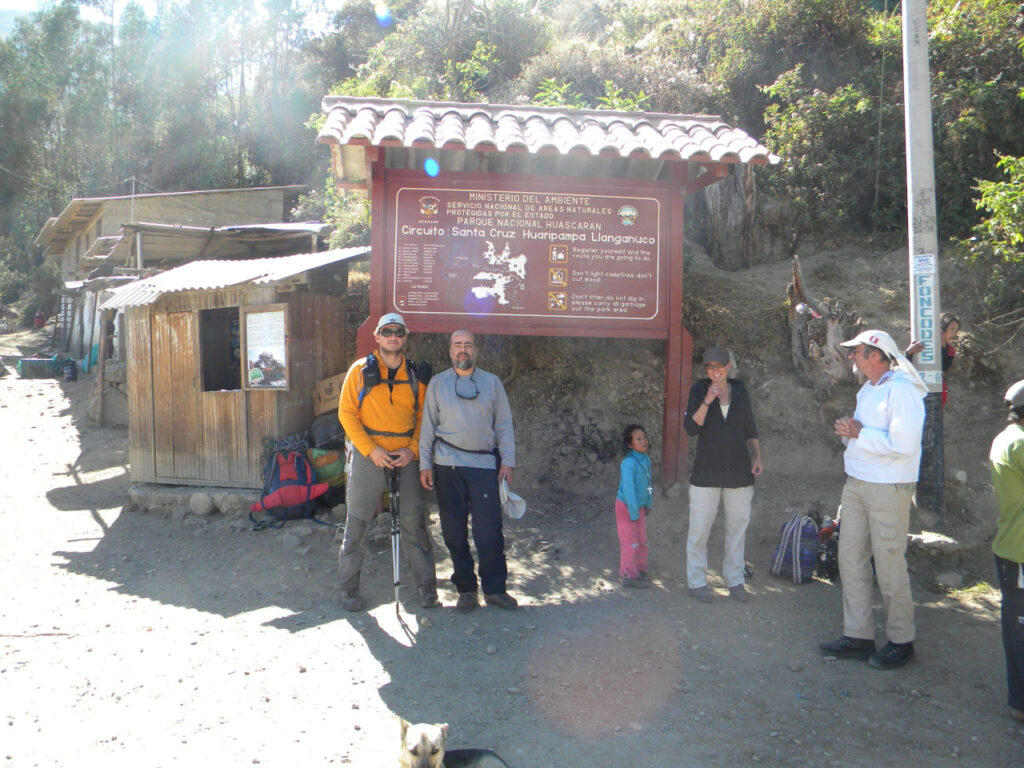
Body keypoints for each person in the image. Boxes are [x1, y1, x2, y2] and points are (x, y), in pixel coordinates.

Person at [819, 329, 927, 670]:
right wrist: (850, 432)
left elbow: (904, 444)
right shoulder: (868, 389)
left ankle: (901, 640)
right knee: (850, 559)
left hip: (888, 488)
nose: (852, 357)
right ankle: (858, 634)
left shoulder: (903, 390)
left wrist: (859, 432)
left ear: (877, 355)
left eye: (857, 352)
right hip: (858, 484)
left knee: (890, 564)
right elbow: (864, 435)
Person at [336, 312, 438, 612]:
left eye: (399, 332)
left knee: (412, 521)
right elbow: (346, 414)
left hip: (404, 456)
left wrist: (412, 450)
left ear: (405, 338)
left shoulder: (417, 374)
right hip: (370, 456)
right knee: (358, 520)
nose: (393, 337)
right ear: (377, 337)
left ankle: (427, 586)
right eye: (387, 332)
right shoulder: (358, 371)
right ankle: (348, 587)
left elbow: (424, 418)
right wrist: (370, 450)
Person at [419, 329, 517, 612]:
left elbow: (504, 425)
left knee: (489, 531)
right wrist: (425, 464)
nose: (463, 350)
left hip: (484, 466)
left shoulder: (493, 383)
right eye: (457, 345)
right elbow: (427, 428)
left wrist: (507, 461)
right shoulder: (438, 384)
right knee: (453, 532)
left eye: (468, 345)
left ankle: (495, 589)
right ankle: (465, 590)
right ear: (450, 352)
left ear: (476, 351)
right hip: (446, 467)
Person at [683, 346, 763, 604]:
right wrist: (708, 399)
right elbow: (691, 428)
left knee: (737, 528)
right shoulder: (699, 389)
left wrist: (758, 456)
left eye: (719, 367)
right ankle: (696, 582)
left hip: (739, 470)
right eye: (710, 367)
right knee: (699, 529)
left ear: (728, 366)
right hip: (706, 472)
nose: (714, 371)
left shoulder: (740, 390)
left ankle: (735, 580)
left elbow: (749, 426)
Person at [988, 379, 1024, 723]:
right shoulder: (1020, 444)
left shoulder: (1006, 438)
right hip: (1020, 550)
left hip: (1012, 546)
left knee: (1016, 628)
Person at [616, 424, 653, 589]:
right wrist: (632, 512)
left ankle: (640, 569)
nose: (643, 441)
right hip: (626, 507)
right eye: (638, 439)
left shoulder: (646, 460)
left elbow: (648, 484)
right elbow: (629, 489)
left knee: (642, 540)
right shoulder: (628, 463)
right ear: (630, 444)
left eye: (644, 437)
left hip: (638, 507)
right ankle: (629, 574)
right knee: (630, 541)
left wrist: (648, 503)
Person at [906, 311, 960, 406]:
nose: (954, 333)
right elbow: (906, 366)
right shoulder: (921, 344)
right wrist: (908, 353)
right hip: (915, 391)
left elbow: (944, 367)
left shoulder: (950, 350)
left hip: (936, 393)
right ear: (941, 329)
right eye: (952, 329)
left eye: (956, 330)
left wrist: (943, 347)